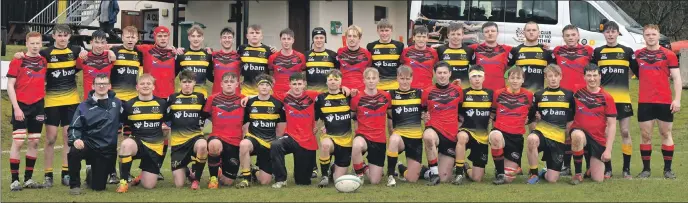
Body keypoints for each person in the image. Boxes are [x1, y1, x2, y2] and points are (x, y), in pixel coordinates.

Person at [14, 24, 84, 187]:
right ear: (53, 36)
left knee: (68, 138)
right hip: (51, 102)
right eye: (59, 35)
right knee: (51, 139)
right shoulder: (46, 53)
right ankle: (48, 174)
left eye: (65, 35)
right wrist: (20, 54)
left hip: (71, 102)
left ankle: (66, 173)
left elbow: (91, 57)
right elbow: (31, 57)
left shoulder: (75, 50)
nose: (62, 38)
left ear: (69, 36)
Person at [591, 21, 637, 179]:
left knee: (625, 132)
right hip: (604, 100)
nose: (610, 35)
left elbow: (636, 70)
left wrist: (627, 77)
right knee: (604, 133)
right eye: (607, 32)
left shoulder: (627, 51)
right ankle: (608, 168)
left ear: (618, 33)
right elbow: (591, 74)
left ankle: (626, 169)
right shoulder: (597, 52)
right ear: (604, 34)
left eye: (613, 32)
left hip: (623, 98)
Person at [634, 24, 681, 179]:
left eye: (653, 34)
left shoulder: (669, 54)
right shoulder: (638, 55)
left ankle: (667, 170)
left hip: (664, 101)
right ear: (643, 36)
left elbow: (676, 78)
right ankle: (646, 170)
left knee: (665, 133)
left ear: (659, 35)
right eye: (648, 34)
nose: (651, 37)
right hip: (645, 102)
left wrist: (677, 99)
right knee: (645, 135)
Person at [6, 31, 48, 191]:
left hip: (38, 105)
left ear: (41, 44)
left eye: (38, 43)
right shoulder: (18, 60)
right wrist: (16, 107)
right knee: (18, 141)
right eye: (32, 43)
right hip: (21, 106)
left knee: (35, 142)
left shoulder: (44, 60)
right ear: (26, 43)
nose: (35, 46)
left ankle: (28, 179)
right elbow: (10, 85)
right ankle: (14, 180)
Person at [67, 74, 121, 195]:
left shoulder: (117, 104)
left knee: (98, 187)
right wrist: (75, 139)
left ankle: (91, 173)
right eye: (98, 84)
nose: (101, 86)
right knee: (74, 150)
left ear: (109, 86)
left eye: (104, 83)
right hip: (89, 145)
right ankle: (74, 185)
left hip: (107, 150)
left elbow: (129, 118)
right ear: (93, 86)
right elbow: (74, 127)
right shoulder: (83, 106)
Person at [551, 25, 593, 175]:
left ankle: (589, 166)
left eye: (573, 34)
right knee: (567, 130)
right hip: (564, 97)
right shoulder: (557, 51)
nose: (570, 37)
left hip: (583, 97)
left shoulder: (588, 51)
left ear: (578, 35)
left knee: (586, 129)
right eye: (567, 35)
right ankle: (566, 166)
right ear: (563, 37)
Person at [116, 74, 168, 193]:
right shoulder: (129, 105)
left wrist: (166, 126)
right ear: (137, 87)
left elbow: (169, 120)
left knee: (149, 185)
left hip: (155, 147)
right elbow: (121, 122)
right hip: (138, 142)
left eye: (148, 84)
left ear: (153, 87)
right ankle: (124, 181)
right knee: (126, 144)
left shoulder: (162, 104)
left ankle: (141, 177)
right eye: (142, 84)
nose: (145, 86)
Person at [139, 26, 178, 180]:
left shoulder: (173, 54)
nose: (162, 38)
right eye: (159, 35)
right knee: (149, 134)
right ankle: (147, 167)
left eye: (165, 36)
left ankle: (158, 168)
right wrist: (107, 48)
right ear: (154, 37)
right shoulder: (146, 49)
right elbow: (124, 44)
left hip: (168, 100)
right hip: (149, 99)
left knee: (165, 135)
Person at [525, 64, 575, 184]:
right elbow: (531, 117)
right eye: (550, 76)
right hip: (542, 133)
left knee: (552, 179)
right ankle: (534, 173)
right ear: (545, 77)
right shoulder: (538, 95)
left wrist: (567, 135)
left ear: (560, 77)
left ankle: (543, 172)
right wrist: (535, 119)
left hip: (558, 138)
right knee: (532, 138)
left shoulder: (568, 95)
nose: (553, 79)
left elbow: (571, 118)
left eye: (556, 76)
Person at [270, 73, 321, 188]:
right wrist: (247, 98)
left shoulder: (313, 96)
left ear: (304, 84)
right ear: (289, 85)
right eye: (294, 84)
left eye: (299, 84)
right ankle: (281, 179)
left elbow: (329, 99)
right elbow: (264, 95)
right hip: (291, 137)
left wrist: (320, 124)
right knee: (275, 144)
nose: (297, 87)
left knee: (302, 181)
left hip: (307, 141)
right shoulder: (284, 97)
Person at [569, 64, 617, 185]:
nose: (592, 79)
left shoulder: (607, 97)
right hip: (580, 132)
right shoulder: (576, 91)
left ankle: (590, 170)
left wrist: (608, 150)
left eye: (595, 75)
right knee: (577, 136)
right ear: (584, 77)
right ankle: (578, 174)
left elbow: (612, 125)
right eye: (589, 75)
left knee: (598, 179)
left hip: (597, 139)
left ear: (600, 76)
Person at [236, 74, 286, 188]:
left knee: (265, 181)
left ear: (271, 87)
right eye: (261, 84)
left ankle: (254, 171)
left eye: (267, 85)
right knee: (244, 144)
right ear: (257, 87)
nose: (264, 87)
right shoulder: (249, 102)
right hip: (254, 138)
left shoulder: (278, 104)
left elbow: (281, 129)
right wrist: (246, 136)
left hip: (269, 143)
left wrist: (274, 145)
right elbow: (245, 124)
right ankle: (246, 179)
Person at [419, 61, 463, 186]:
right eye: (439, 73)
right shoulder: (427, 92)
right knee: (428, 136)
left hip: (451, 134)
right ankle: (433, 173)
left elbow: (462, 112)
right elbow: (422, 111)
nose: (442, 75)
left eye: (445, 72)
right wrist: (423, 115)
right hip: (434, 128)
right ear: (435, 74)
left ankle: (425, 171)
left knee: (445, 177)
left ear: (450, 74)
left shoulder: (458, 91)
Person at [488, 66, 534, 185]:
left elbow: (532, 114)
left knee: (509, 180)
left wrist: (529, 119)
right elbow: (493, 112)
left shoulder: (528, 95)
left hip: (516, 138)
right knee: (495, 136)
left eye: (518, 78)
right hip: (501, 132)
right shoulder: (498, 93)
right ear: (508, 79)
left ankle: (513, 167)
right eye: (512, 77)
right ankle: (500, 173)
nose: (515, 80)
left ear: (523, 80)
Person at [166, 70, 208, 189]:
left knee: (203, 145)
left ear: (194, 82)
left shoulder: (200, 98)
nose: (187, 84)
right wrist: (165, 124)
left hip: (195, 138)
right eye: (184, 82)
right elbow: (165, 116)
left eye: (190, 82)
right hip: (178, 143)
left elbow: (207, 114)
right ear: (180, 83)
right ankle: (189, 172)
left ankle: (196, 180)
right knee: (179, 184)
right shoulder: (172, 98)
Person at [203, 72, 246, 188]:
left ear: (237, 84)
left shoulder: (243, 100)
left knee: (227, 182)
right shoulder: (213, 99)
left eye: (232, 82)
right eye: (226, 82)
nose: (229, 84)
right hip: (218, 137)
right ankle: (213, 178)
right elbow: (205, 116)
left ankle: (220, 168)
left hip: (235, 141)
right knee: (214, 145)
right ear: (221, 84)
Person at [350, 68, 391, 185]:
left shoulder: (386, 96)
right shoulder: (356, 98)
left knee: (375, 181)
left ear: (378, 79)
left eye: (374, 78)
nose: (371, 81)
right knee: (357, 145)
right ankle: (359, 175)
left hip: (379, 139)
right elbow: (349, 116)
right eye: (368, 78)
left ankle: (363, 166)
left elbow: (391, 115)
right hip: (363, 135)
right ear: (363, 80)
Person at [452, 65, 492, 185]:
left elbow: (497, 112)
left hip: (482, 137)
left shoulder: (490, 94)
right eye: (474, 76)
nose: (477, 79)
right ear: (469, 79)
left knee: (477, 178)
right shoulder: (463, 94)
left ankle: (465, 168)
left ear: (484, 78)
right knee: (462, 136)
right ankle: (458, 173)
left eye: (479, 76)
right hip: (466, 131)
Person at [385, 65, 424, 186]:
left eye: (407, 79)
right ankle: (390, 175)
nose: (405, 82)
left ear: (412, 79)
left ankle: (402, 168)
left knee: (412, 179)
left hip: (416, 138)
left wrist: (424, 114)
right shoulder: (390, 94)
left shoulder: (419, 93)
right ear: (397, 78)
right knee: (394, 139)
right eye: (402, 78)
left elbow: (430, 107)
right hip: (400, 137)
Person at [314, 70, 354, 187]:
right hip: (329, 136)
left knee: (339, 180)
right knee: (325, 145)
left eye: (336, 79)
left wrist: (350, 90)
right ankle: (324, 176)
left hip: (346, 141)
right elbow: (317, 118)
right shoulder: (321, 98)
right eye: (330, 79)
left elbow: (357, 112)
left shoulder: (348, 95)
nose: (333, 82)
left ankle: (332, 169)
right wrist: (318, 126)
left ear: (341, 81)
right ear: (326, 82)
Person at [508, 22, 554, 92]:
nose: (531, 32)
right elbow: (504, 68)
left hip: (538, 94)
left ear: (539, 32)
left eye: (534, 30)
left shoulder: (546, 51)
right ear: (524, 32)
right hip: (520, 94)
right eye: (528, 30)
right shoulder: (516, 50)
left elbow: (555, 72)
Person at [470, 22, 512, 91]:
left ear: (497, 33)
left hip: (499, 92)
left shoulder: (507, 49)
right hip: (480, 92)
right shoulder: (474, 48)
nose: (490, 33)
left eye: (493, 31)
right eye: (486, 32)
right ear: (483, 34)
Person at [76, 30, 116, 100]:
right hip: (89, 101)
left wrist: (110, 51)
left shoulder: (111, 57)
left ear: (106, 43)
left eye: (102, 42)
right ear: (91, 42)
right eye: (96, 42)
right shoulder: (83, 57)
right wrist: (81, 53)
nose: (100, 46)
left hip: (106, 100)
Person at [366, 19, 405, 91]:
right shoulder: (371, 46)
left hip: (395, 87)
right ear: (377, 31)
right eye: (382, 30)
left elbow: (403, 65)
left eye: (386, 30)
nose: (384, 33)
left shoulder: (399, 46)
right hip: (377, 87)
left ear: (391, 30)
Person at [176, 25, 213, 97]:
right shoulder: (181, 54)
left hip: (201, 94)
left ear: (202, 38)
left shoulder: (208, 55)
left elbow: (211, 77)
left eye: (198, 36)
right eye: (193, 36)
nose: (196, 39)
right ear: (189, 38)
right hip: (184, 94)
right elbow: (172, 77)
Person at [270, 28, 306, 101]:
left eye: (289, 39)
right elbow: (271, 76)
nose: (286, 41)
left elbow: (304, 78)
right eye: (284, 39)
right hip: (277, 95)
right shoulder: (272, 57)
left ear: (293, 40)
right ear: (280, 40)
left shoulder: (301, 57)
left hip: (294, 95)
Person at [435, 22, 475, 89]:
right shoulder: (440, 50)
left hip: (464, 88)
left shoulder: (469, 51)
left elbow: (474, 69)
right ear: (448, 35)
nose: (455, 37)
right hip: (445, 89)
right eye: (453, 34)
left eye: (458, 34)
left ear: (463, 35)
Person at [239, 24, 273, 97]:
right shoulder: (241, 49)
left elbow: (273, 71)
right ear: (247, 36)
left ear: (261, 36)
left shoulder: (268, 50)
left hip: (263, 93)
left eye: (257, 33)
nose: (254, 35)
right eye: (252, 33)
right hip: (246, 93)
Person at [337, 25, 372, 92]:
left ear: (359, 38)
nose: (351, 38)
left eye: (354, 36)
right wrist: (341, 87)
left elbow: (368, 73)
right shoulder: (340, 52)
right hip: (344, 90)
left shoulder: (367, 54)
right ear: (346, 38)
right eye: (349, 36)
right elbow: (336, 72)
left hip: (361, 91)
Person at [305, 27, 339, 92]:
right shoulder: (306, 55)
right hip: (310, 94)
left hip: (327, 94)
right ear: (313, 39)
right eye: (316, 38)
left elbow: (339, 75)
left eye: (321, 38)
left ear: (325, 39)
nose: (319, 40)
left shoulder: (333, 55)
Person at [211, 27, 241, 95]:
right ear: (220, 40)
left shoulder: (239, 57)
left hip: (235, 97)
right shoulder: (213, 55)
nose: (227, 40)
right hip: (217, 96)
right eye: (224, 37)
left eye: (229, 37)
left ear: (233, 40)